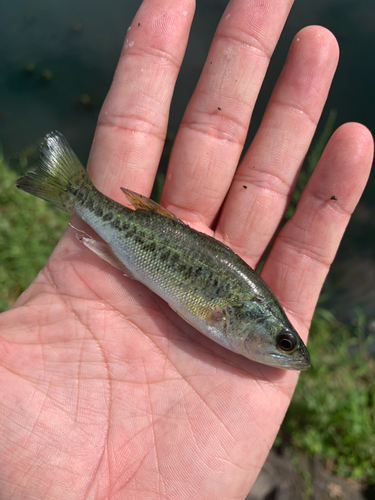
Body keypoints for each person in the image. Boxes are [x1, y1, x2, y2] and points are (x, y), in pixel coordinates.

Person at [0, 0, 373, 498]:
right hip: (139, 237)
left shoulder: (237, 320)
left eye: (286, 343)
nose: (289, 353)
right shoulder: (227, 314)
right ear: (250, 320)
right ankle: (72, 190)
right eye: (283, 343)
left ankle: (72, 190)